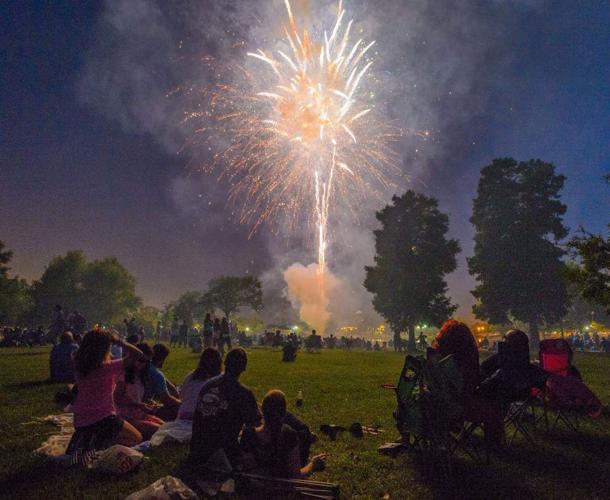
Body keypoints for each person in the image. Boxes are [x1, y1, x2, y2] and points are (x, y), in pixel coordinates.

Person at [66, 329, 143, 456]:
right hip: (103, 418)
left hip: (80, 420)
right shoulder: (107, 368)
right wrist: (119, 341)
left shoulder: (78, 365)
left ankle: (95, 442)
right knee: (137, 438)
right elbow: (138, 354)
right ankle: (102, 445)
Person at [431, 320, 504, 447]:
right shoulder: (465, 361)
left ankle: (455, 430)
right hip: (459, 407)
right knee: (495, 406)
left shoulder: (436, 357)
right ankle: (494, 445)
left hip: (434, 404)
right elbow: (469, 387)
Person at [190, 348, 259, 466]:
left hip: (197, 449)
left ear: (225, 363)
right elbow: (254, 425)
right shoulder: (243, 393)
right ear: (243, 368)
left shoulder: (208, 385)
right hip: (222, 454)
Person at [240, 390, 326, 478]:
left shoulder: (248, 434)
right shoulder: (288, 435)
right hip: (281, 491)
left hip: (254, 490)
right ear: (284, 413)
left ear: (262, 411)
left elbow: (249, 471)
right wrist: (312, 465)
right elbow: (295, 477)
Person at [114, 343, 164, 439]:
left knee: (164, 426)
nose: (143, 364)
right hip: (123, 415)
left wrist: (149, 403)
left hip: (137, 413)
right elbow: (117, 398)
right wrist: (138, 405)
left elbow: (137, 398)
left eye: (147, 362)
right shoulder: (124, 375)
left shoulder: (140, 376)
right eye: (141, 360)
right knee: (159, 429)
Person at [178, 348, 222, 420]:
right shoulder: (220, 381)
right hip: (202, 418)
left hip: (183, 414)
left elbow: (182, 396)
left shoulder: (191, 376)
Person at [145, 343, 181, 421]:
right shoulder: (157, 375)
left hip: (142, 404)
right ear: (162, 359)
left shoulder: (145, 367)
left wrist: (172, 387)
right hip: (145, 408)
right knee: (178, 409)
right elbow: (166, 399)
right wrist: (181, 403)